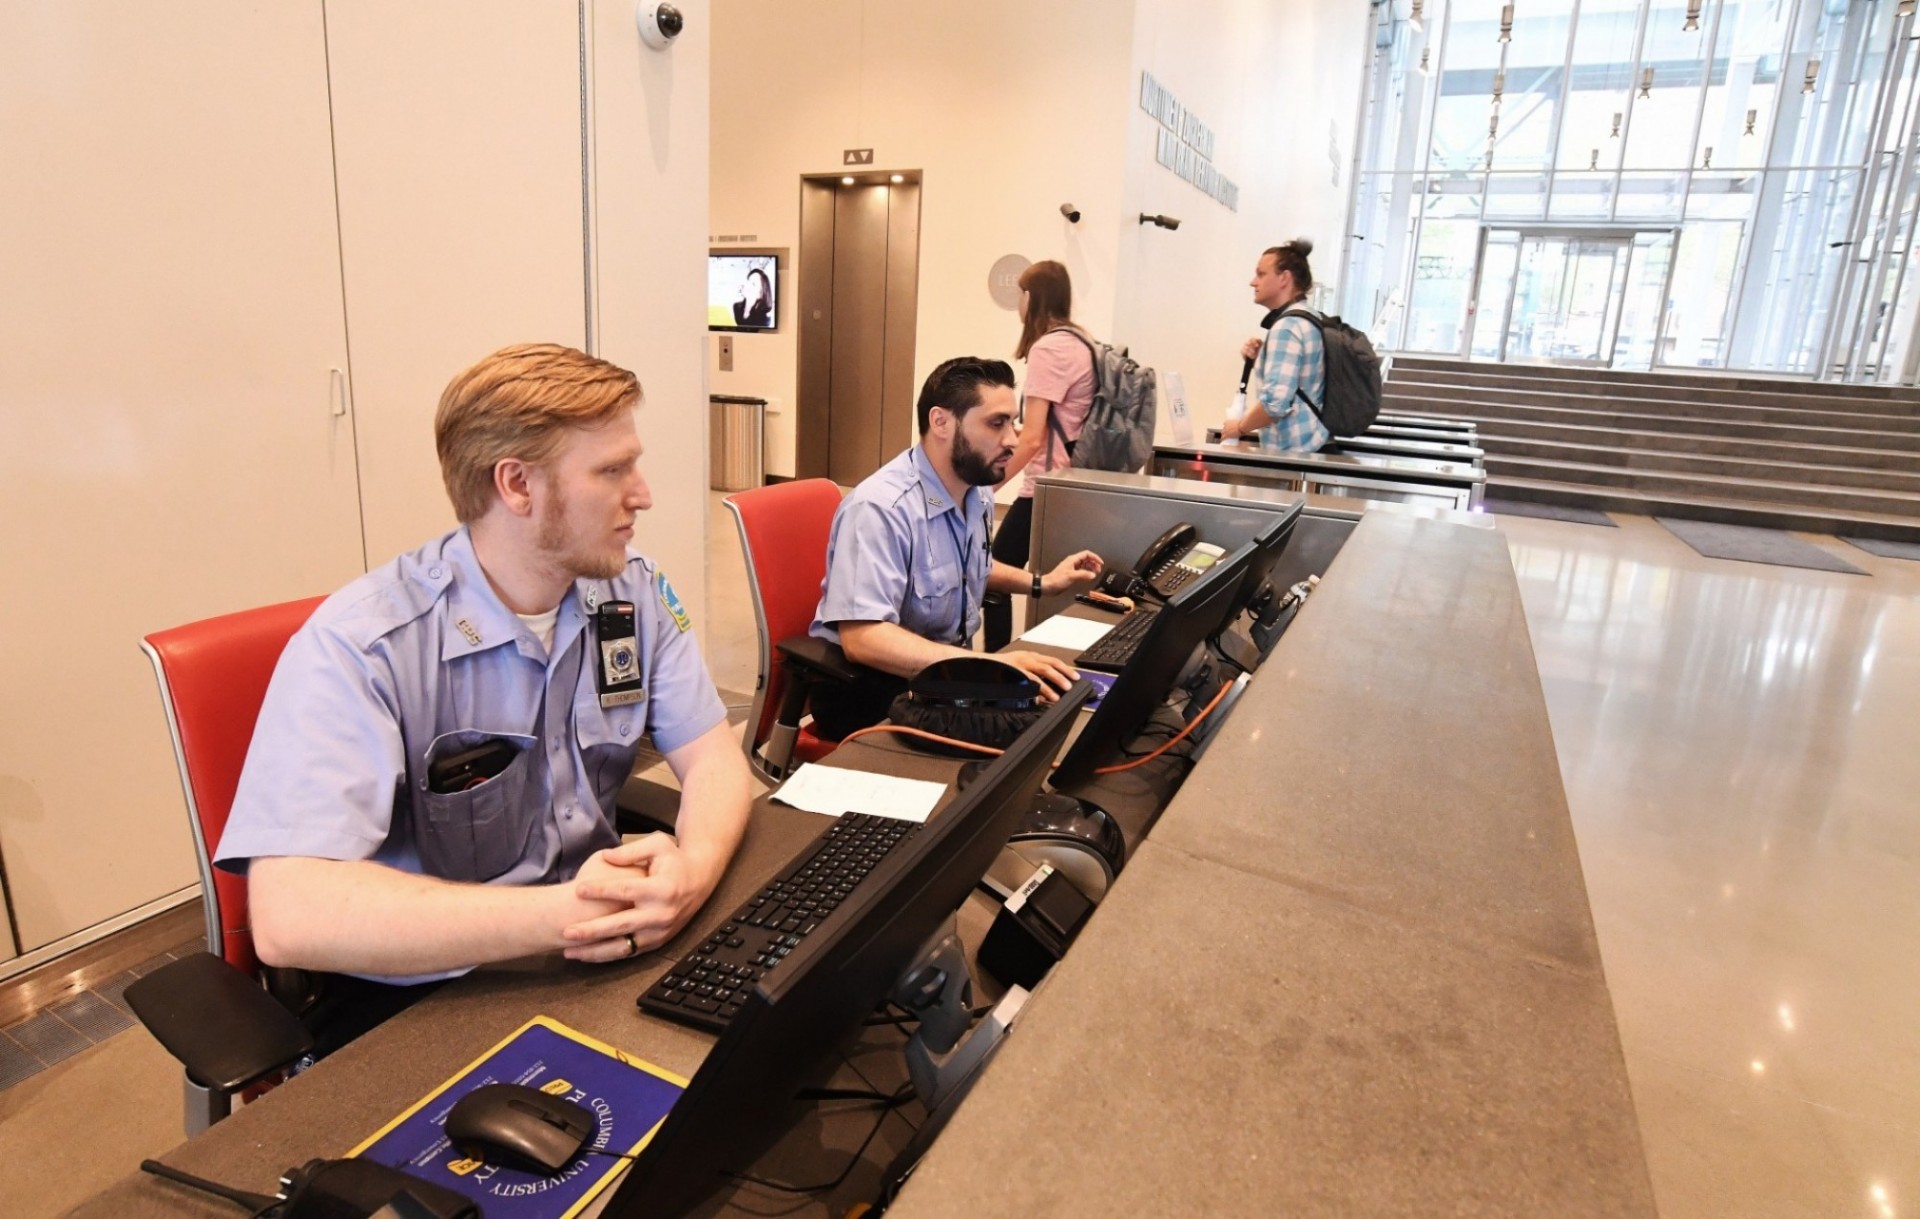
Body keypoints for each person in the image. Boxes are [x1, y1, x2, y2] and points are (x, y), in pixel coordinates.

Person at [216, 343, 752, 1047]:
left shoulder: (630, 592)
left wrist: (692, 870)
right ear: (517, 485)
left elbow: (714, 757)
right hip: (433, 995)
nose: (643, 492)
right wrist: (573, 914)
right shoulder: (364, 646)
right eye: (613, 469)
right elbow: (292, 917)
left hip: (596, 956)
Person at [808, 356, 1105, 739]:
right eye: (996, 423)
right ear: (941, 422)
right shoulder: (881, 509)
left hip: (941, 675)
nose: (1013, 439)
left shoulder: (975, 491)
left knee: (1062, 711)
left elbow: (967, 566)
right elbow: (863, 638)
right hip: (871, 690)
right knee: (1033, 737)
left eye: (1012, 423)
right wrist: (983, 665)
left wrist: (1042, 583)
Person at [983, 260, 1096, 653]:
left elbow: (1030, 438)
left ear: (1031, 298)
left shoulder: (1050, 347)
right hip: (1077, 484)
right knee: (1051, 581)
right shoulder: (1083, 342)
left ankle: (996, 664)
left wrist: (986, 485)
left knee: (991, 575)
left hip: (1047, 486)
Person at [1221, 239, 1329, 452]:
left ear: (1284, 278)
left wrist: (1239, 428)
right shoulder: (1309, 317)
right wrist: (1264, 357)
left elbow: (1275, 404)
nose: (1253, 282)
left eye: (1261, 274)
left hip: (1294, 453)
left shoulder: (1287, 327)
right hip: (1312, 445)